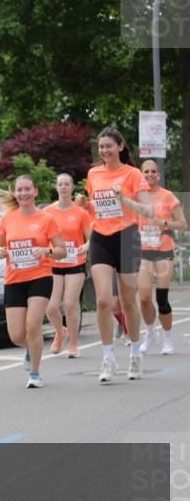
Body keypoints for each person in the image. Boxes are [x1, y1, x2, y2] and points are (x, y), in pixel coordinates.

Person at [75, 127, 154, 382]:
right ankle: (108, 358)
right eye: (101, 147)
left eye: (109, 146)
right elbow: (95, 210)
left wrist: (125, 201)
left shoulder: (132, 174)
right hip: (101, 238)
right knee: (103, 301)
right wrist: (86, 207)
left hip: (127, 237)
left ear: (120, 147)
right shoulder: (93, 174)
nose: (104, 150)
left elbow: (149, 210)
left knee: (129, 302)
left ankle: (134, 352)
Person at [0, 175, 66, 388]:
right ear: (15, 193)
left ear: (35, 191)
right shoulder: (8, 219)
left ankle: (34, 373)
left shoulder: (46, 219)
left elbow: (62, 251)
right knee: (17, 335)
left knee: (33, 325)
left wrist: (46, 250)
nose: (23, 193)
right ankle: (31, 349)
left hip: (40, 277)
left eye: (27, 189)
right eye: (20, 190)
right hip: (14, 279)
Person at [137, 159, 186, 355]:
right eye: (146, 172)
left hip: (163, 251)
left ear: (158, 174)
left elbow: (182, 223)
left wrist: (163, 223)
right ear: (141, 174)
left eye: (153, 172)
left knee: (162, 298)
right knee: (144, 298)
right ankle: (150, 333)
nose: (149, 175)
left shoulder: (167, 196)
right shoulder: (137, 197)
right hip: (143, 251)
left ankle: (168, 339)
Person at [43, 173, 92, 358]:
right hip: (53, 263)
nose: (63, 187)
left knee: (70, 304)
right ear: (56, 187)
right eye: (60, 184)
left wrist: (86, 246)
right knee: (51, 307)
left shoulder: (81, 213)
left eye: (67, 184)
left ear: (72, 188)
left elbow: (90, 237)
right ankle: (60, 332)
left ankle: (73, 344)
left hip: (75, 262)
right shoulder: (47, 212)